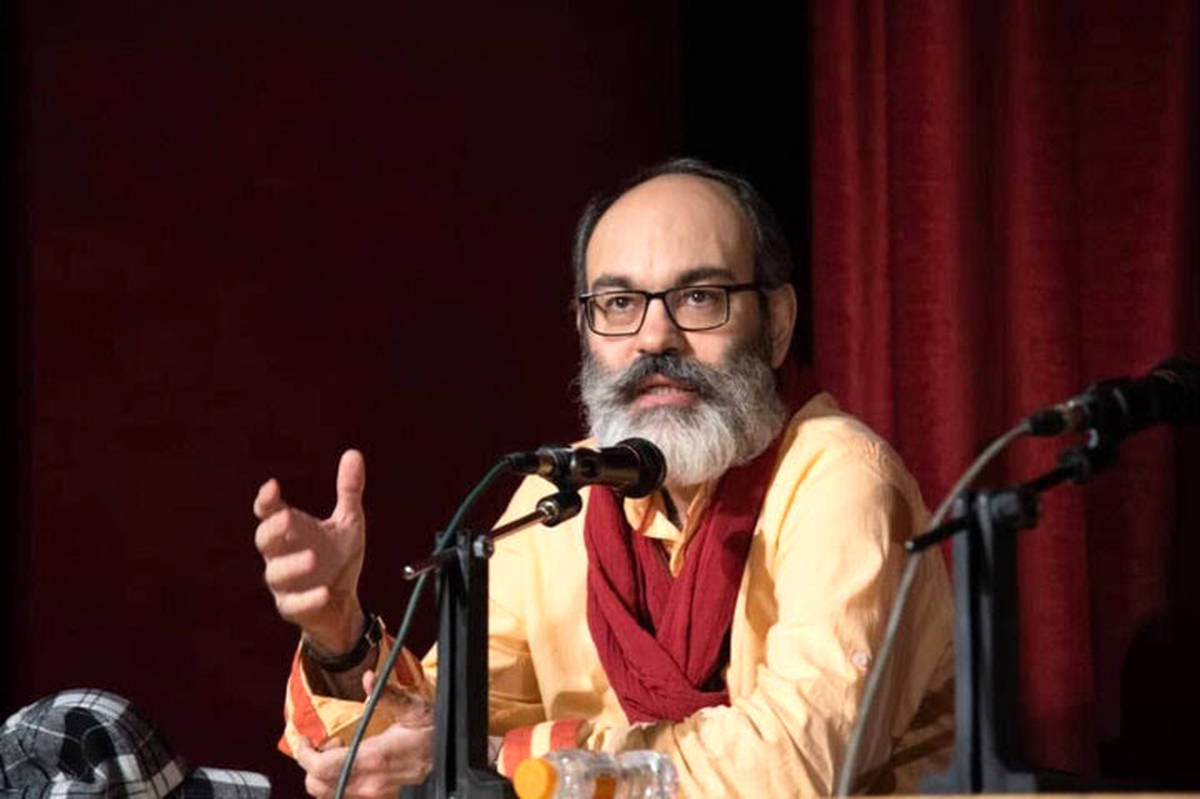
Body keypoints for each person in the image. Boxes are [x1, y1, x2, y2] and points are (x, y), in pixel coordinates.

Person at [253, 159, 955, 798]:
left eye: (700, 297)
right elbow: (422, 735)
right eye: (619, 304)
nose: (654, 338)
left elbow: (796, 768)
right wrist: (340, 637)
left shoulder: (840, 480)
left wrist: (509, 761)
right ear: (585, 329)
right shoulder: (563, 493)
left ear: (776, 323)